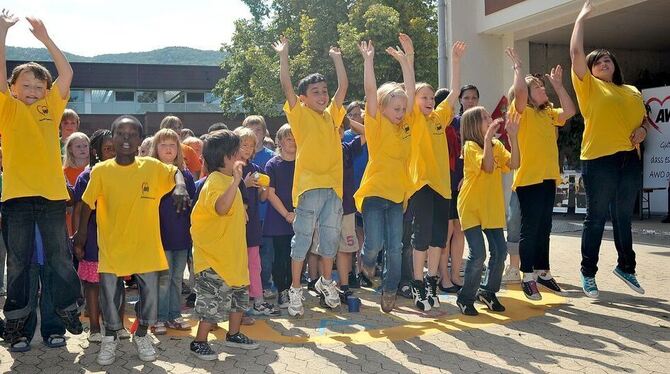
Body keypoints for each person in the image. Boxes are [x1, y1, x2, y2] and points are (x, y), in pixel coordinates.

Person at [74, 115, 190, 365]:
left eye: (132, 135)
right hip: (113, 247)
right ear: (112, 138)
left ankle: (141, 335)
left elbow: (176, 172)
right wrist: (80, 236)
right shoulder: (101, 171)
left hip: (145, 247)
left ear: (140, 140)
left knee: (150, 296)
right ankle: (110, 338)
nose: (126, 139)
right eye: (120, 134)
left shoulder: (150, 166)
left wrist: (180, 187)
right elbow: (85, 204)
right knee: (109, 295)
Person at [0, 11, 83, 350]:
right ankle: (18, 328)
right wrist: (3, 32)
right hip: (17, 199)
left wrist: (45, 39)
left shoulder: (52, 104)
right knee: (19, 265)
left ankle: (59, 322)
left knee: (58, 261)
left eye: (38, 86)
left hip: (50, 198)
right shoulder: (7, 108)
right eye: (26, 86)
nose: (33, 91)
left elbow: (67, 72)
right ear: (12, 88)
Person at [570, 0, 649, 297]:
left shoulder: (631, 91)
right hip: (598, 160)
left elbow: (642, 119)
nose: (604, 64)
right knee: (596, 217)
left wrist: (642, 129)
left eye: (608, 61)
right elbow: (576, 53)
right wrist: (581, 19)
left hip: (629, 159)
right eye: (598, 62)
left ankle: (626, 267)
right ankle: (587, 273)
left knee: (623, 217)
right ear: (590, 70)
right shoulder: (588, 86)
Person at [274, 35, 348, 316]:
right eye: (315, 92)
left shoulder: (332, 115)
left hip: (333, 188)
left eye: (323, 91)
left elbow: (342, 87)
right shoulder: (300, 114)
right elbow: (287, 85)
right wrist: (284, 55)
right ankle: (295, 289)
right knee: (302, 240)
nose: (322, 95)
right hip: (308, 188)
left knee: (330, 240)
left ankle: (326, 282)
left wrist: (337, 59)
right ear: (304, 99)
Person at [506, 47, 576, 300]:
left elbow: (569, 112)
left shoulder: (548, 112)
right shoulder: (521, 112)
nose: (542, 89)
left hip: (548, 177)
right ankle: (527, 276)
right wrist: (518, 69)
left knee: (545, 226)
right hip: (528, 178)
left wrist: (558, 86)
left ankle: (543, 272)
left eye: (541, 86)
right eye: (538, 87)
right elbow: (521, 92)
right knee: (530, 228)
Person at [354, 35, 415, 313]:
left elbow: (411, 93)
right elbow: (370, 93)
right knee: (374, 245)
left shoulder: (406, 127)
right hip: (375, 194)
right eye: (397, 108)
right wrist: (369, 61)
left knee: (395, 247)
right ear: (384, 107)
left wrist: (406, 62)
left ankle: (389, 291)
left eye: (403, 109)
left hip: (397, 196)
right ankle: (365, 262)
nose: (402, 112)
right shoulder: (376, 126)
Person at [189, 130, 259, 361]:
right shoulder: (216, 182)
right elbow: (220, 208)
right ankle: (199, 341)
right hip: (214, 260)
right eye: (237, 152)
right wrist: (238, 181)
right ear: (226, 158)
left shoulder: (227, 181)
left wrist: (242, 214)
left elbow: (230, 210)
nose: (242, 156)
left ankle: (234, 333)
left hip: (232, 257)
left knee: (239, 297)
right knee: (211, 303)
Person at [407, 41, 466, 311]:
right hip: (421, 185)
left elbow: (454, 92)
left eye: (432, 98)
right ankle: (418, 283)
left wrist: (455, 60)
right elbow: (409, 91)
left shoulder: (439, 118)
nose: (430, 101)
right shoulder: (413, 119)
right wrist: (410, 57)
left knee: (438, 238)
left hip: (444, 187)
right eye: (424, 97)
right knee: (421, 236)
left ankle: (431, 281)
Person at [456, 107, 520, 316]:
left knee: (500, 252)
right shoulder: (470, 146)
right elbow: (488, 166)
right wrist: (487, 139)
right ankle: (465, 297)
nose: (489, 119)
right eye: (484, 118)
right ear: (474, 125)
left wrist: (513, 136)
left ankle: (488, 291)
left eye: (488, 116)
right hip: (471, 207)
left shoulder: (496, 144)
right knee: (478, 254)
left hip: (491, 208)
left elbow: (515, 163)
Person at [72, 129, 124, 343]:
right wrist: (78, 239)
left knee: (117, 282)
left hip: (118, 236)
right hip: (93, 236)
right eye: (108, 149)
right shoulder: (87, 176)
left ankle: (117, 326)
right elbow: (79, 209)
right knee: (93, 285)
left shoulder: (125, 172)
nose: (113, 152)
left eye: (116, 148)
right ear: (96, 151)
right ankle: (94, 328)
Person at [150, 128, 197, 334]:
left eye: (172, 145)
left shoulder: (186, 175)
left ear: (178, 149)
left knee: (177, 278)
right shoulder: (151, 172)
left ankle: (174, 314)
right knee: (163, 279)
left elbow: (192, 205)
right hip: (160, 235)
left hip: (182, 235)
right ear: (155, 149)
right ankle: (159, 317)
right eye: (163, 145)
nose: (168, 149)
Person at [234, 127, 279, 316]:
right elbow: (228, 193)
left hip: (252, 224)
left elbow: (262, 199)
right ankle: (239, 302)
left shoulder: (256, 169)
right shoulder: (230, 169)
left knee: (255, 263)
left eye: (251, 145)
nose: (248, 148)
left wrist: (264, 190)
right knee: (237, 264)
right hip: (234, 224)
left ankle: (258, 300)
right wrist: (245, 183)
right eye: (244, 144)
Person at [441, 85, 479, 292]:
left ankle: (456, 274)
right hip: (448, 183)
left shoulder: (482, 125)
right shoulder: (452, 123)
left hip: (468, 185)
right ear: (460, 100)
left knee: (460, 230)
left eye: (474, 97)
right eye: (467, 97)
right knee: (447, 230)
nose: (471, 101)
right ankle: (443, 276)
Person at [243, 115, 278, 300]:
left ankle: (264, 286)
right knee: (247, 257)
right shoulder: (234, 162)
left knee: (265, 255)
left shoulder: (271, 158)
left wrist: (265, 187)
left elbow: (265, 194)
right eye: (250, 129)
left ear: (264, 134)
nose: (254, 135)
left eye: (258, 131)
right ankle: (246, 290)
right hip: (243, 218)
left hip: (265, 215)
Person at [263, 124, 297, 310]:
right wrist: (286, 214)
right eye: (288, 138)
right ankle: (282, 290)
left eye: (295, 138)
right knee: (281, 255)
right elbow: (270, 193)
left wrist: (298, 212)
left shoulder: (304, 162)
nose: (292, 141)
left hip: (300, 216)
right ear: (280, 141)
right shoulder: (272, 164)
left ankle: (294, 289)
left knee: (296, 256)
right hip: (279, 217)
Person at [63, 132, 90, 236]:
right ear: (70, 149)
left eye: (85, 146)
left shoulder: (94, 170)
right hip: (69, 218)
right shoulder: (63, 172)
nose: (82, 149)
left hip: (88, 218)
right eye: (78, 146)